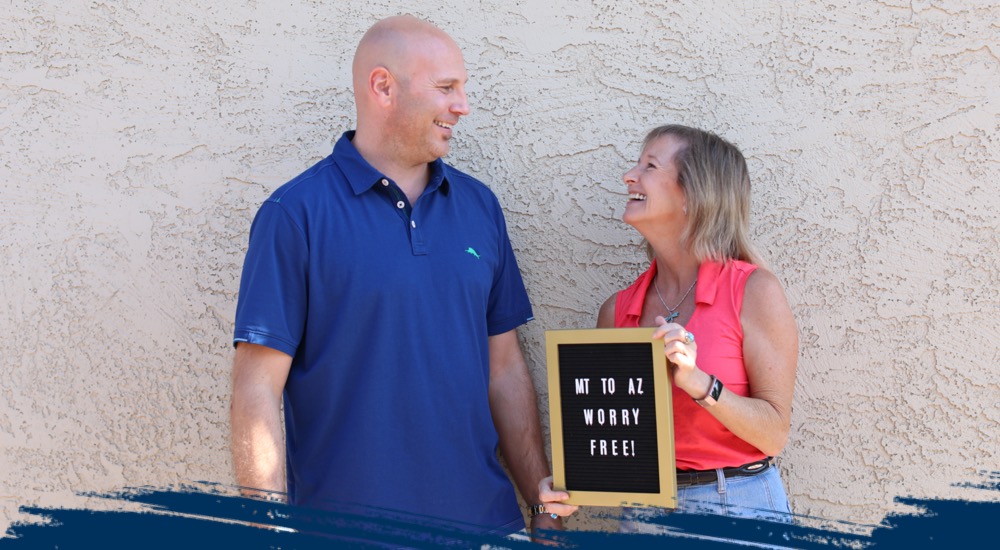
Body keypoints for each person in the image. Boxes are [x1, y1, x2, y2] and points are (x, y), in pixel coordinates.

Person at [229, 15, 560, 537]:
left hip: (485, 527)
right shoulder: (296, 214)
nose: (463, 106)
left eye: (463, 89)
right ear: (383, 86)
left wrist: (540, 502)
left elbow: (504, 369)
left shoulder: (479, 207)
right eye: (446, 88)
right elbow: (256, 389)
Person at [539, 124, 797, 526]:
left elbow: (774, 434)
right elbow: (616, 438)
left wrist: (701, 385)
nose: (629, 176)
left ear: (693, 195)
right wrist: (571, 485)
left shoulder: (752, 291)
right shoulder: (616, 311)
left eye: (650, 165)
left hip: (738, 509)